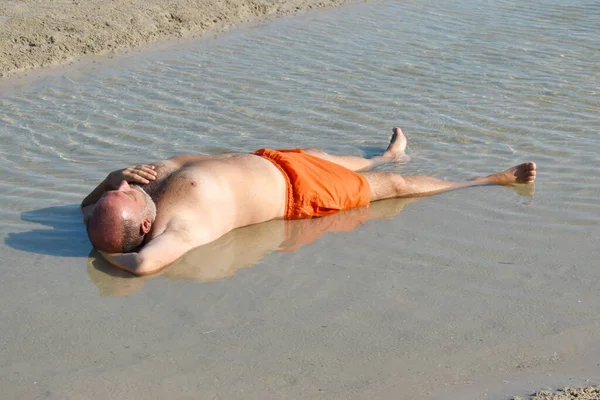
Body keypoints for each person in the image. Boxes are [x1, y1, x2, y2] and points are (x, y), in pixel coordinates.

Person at [82, 128, 536, 276]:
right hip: (302, 194)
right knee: (394, 186)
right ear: (144, 226)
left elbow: (86, 210)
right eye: (122, 195)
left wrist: (108, 179)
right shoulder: (179, 227)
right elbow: (143, 266)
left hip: (271, 160)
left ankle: (383, 153)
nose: (120, 188)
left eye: (117, 188)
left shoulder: (134, 188)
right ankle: (490, 179)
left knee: (328, 156)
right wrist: (107, 256)